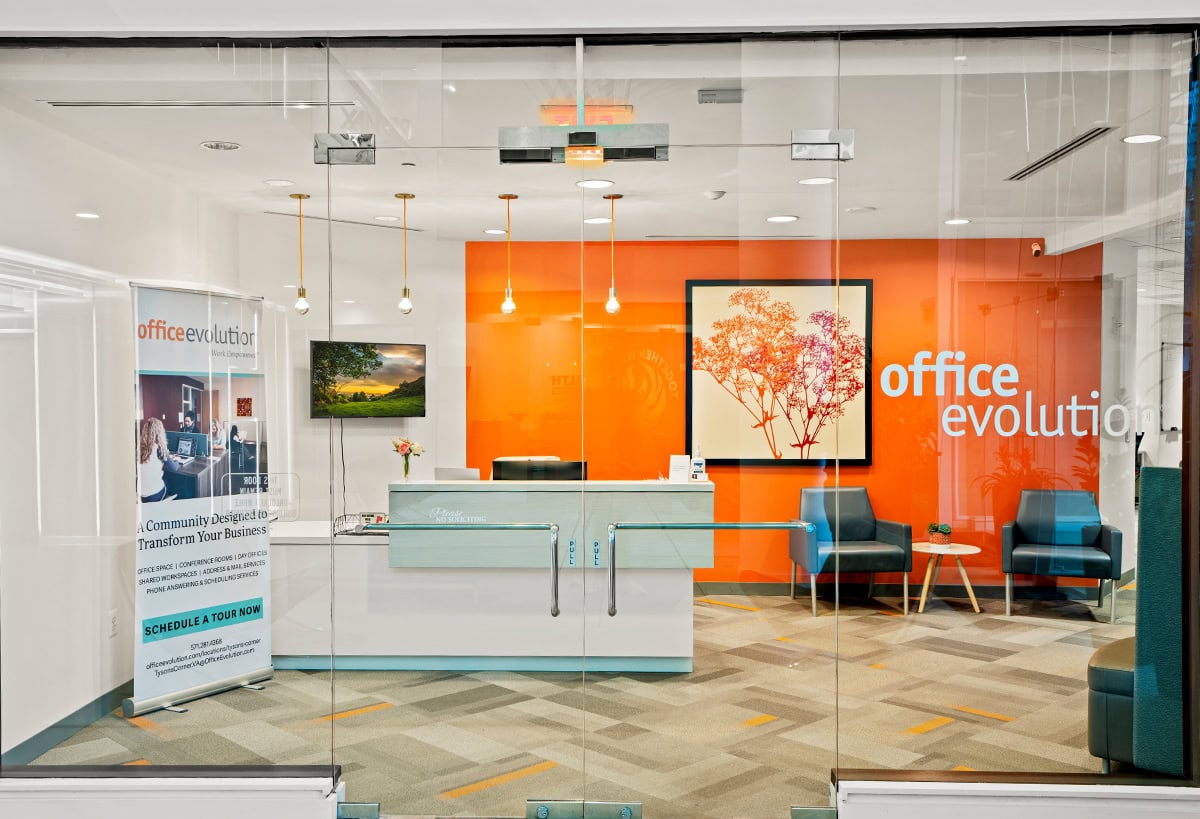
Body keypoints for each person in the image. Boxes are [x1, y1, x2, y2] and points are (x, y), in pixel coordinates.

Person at [137, 417, 180, 503]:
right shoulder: (159, 448)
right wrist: (177, 461)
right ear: (159, 432)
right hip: (154, 496)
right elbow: (174, 468)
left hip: (141, 496)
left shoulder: (139, 448)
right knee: (168, 481)